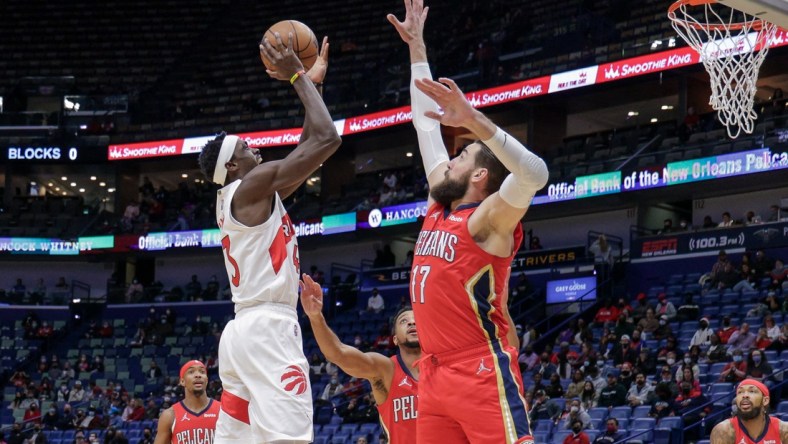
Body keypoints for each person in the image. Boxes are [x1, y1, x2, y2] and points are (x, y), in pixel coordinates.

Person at [388, 1, 547, 442]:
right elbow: (425, 127)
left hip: (480, 369)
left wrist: (475, 121)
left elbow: (535, 174)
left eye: (459, 157)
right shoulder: (439, 204)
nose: (448, 162)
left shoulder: (488, 219)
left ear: (479, 175)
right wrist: (417, 47)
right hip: (434, 374)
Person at [196, 29, 339, 443]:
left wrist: (314, 82)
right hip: (268, 330)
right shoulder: (253, 186)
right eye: (247, 149)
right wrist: (297, 76)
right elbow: (328, 139)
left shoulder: (243, 195)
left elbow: (308, 148)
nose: (255, 151)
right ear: (236, 167)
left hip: (243, 331)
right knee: (288, 437)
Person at [301, 274, 419, 443]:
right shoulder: (385, 369)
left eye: (416, 320)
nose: (411, 323)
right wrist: (315, 317)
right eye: (404, 321)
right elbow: (337, 353)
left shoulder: (444, 368)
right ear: (394, 338)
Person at [154, 360, 221, 444]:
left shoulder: (222, 411)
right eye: (191, 372)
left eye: (202, 372)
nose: (198, 375)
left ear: (206, 380)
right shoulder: (169, 415)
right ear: (182, 381)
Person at [709, 379, 788, 443]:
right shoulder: (724, 430)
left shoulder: (783, 430)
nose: (744, 395)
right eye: (740, 392)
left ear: (765, 400)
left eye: (752, 391)